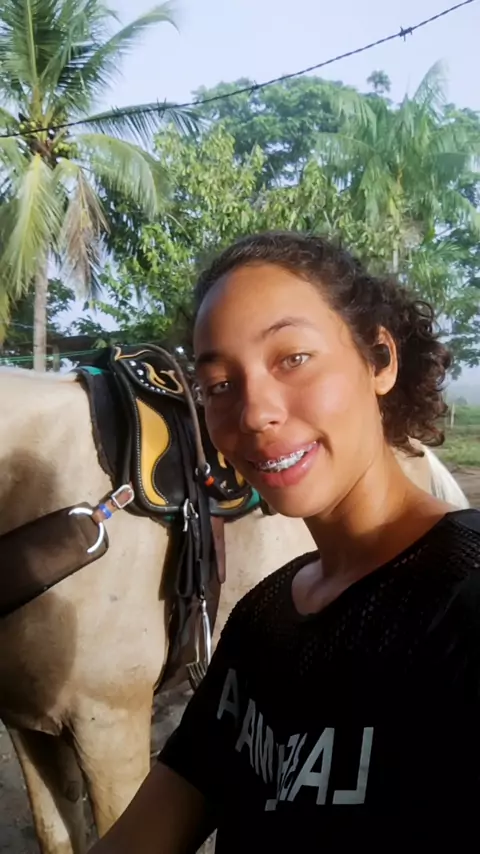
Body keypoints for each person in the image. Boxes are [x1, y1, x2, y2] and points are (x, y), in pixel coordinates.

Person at [90, 232, 480, 853]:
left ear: (380, 359)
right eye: (220, 384)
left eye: (292, 358)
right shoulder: (264, 616)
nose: (253, 413)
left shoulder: (461, 598)